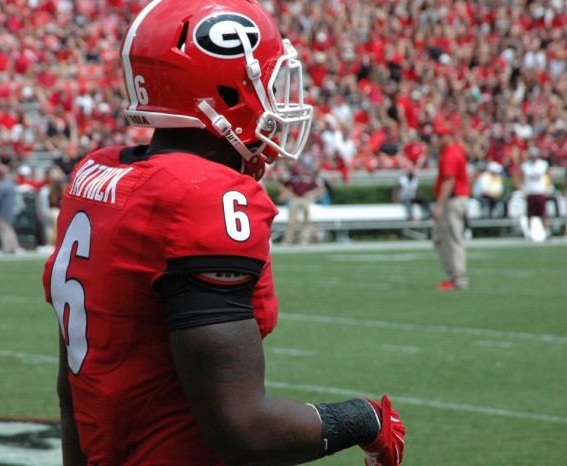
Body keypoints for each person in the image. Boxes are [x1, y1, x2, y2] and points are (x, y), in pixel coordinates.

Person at [42, 1, 405, 465]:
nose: (279, 100)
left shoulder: (94, 174)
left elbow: (70, 397)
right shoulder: (200, 195)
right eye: (269, 84)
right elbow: (241, 428)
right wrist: (363, 419)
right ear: (224, 93)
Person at [432, 125, 470, 291]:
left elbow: (449, 181)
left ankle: (458, 279)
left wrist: (439, 206)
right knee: (440, 238)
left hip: (453, 201)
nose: (437, 140)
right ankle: (452, 275)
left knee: (453, 240)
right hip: (453, 200)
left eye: (440, 136)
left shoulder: (450, 154)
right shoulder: (453, 151)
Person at [280, 157, 325, 244]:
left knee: (306, 220)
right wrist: (289, 194)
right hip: (295, 198)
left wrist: (310, 193)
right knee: (291, 220)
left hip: (305, 199)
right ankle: (288, 240)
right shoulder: (294, 177)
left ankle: (304, 240)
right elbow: (283, 185)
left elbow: (319, 188)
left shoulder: (309, 177)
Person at [513, 145, 552, 241]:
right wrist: (521, 188)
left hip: (540, 192)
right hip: (530, 192)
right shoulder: (526, 165)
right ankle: (530, 233)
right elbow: (517, 177)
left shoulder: (543, 164)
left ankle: (547, 232)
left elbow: (549, 176)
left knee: (543, 214)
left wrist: (547, 187)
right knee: (530, 215)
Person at [0, 162, 21, 254]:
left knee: (4, 230)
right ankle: (14, 246)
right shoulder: (11, 184)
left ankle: (7, 248)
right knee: (9, 229)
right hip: (11, 210)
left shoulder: (3, 185)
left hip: (3, 210)